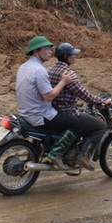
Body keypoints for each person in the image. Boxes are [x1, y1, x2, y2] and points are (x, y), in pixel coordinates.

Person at [15, 36, 82, 169]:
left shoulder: (24, 67)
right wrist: (63, 81)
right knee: (77, 124)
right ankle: (54, 155)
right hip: (41, 115)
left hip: (26, 112)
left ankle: (50, 146)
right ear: (36, 52)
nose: (50, 52)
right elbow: (49, 96)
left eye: (50, 48)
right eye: (46, 49)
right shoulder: (39, 71)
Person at [48, 42, 112, 171]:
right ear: (66, 56)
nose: (75, 57)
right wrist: (101, 101)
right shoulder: (68, 73)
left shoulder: (51, 69)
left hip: (52, 110)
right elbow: (83, 93)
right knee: (100, 126)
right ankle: (83, 156)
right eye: (73, 55)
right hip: (66, 111)